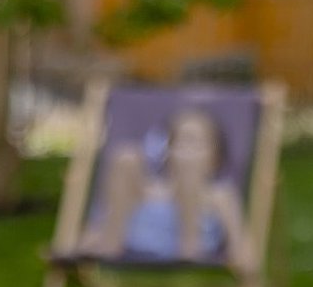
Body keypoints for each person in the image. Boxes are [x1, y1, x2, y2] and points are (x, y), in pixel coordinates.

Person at [80, 106, 250, 270]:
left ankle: (189, 246)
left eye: (195, 144)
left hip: (189, 251)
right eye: (178, 142)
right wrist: (90, 239)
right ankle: (111, 242)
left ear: (216, 157)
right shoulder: (151, 188)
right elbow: (104, 216)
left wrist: (243, 263)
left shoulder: (219, 194)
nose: (186, 151)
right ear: (167, 152)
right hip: (129, 243)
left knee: (189, 177)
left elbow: (239, 244)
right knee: (126, 158)